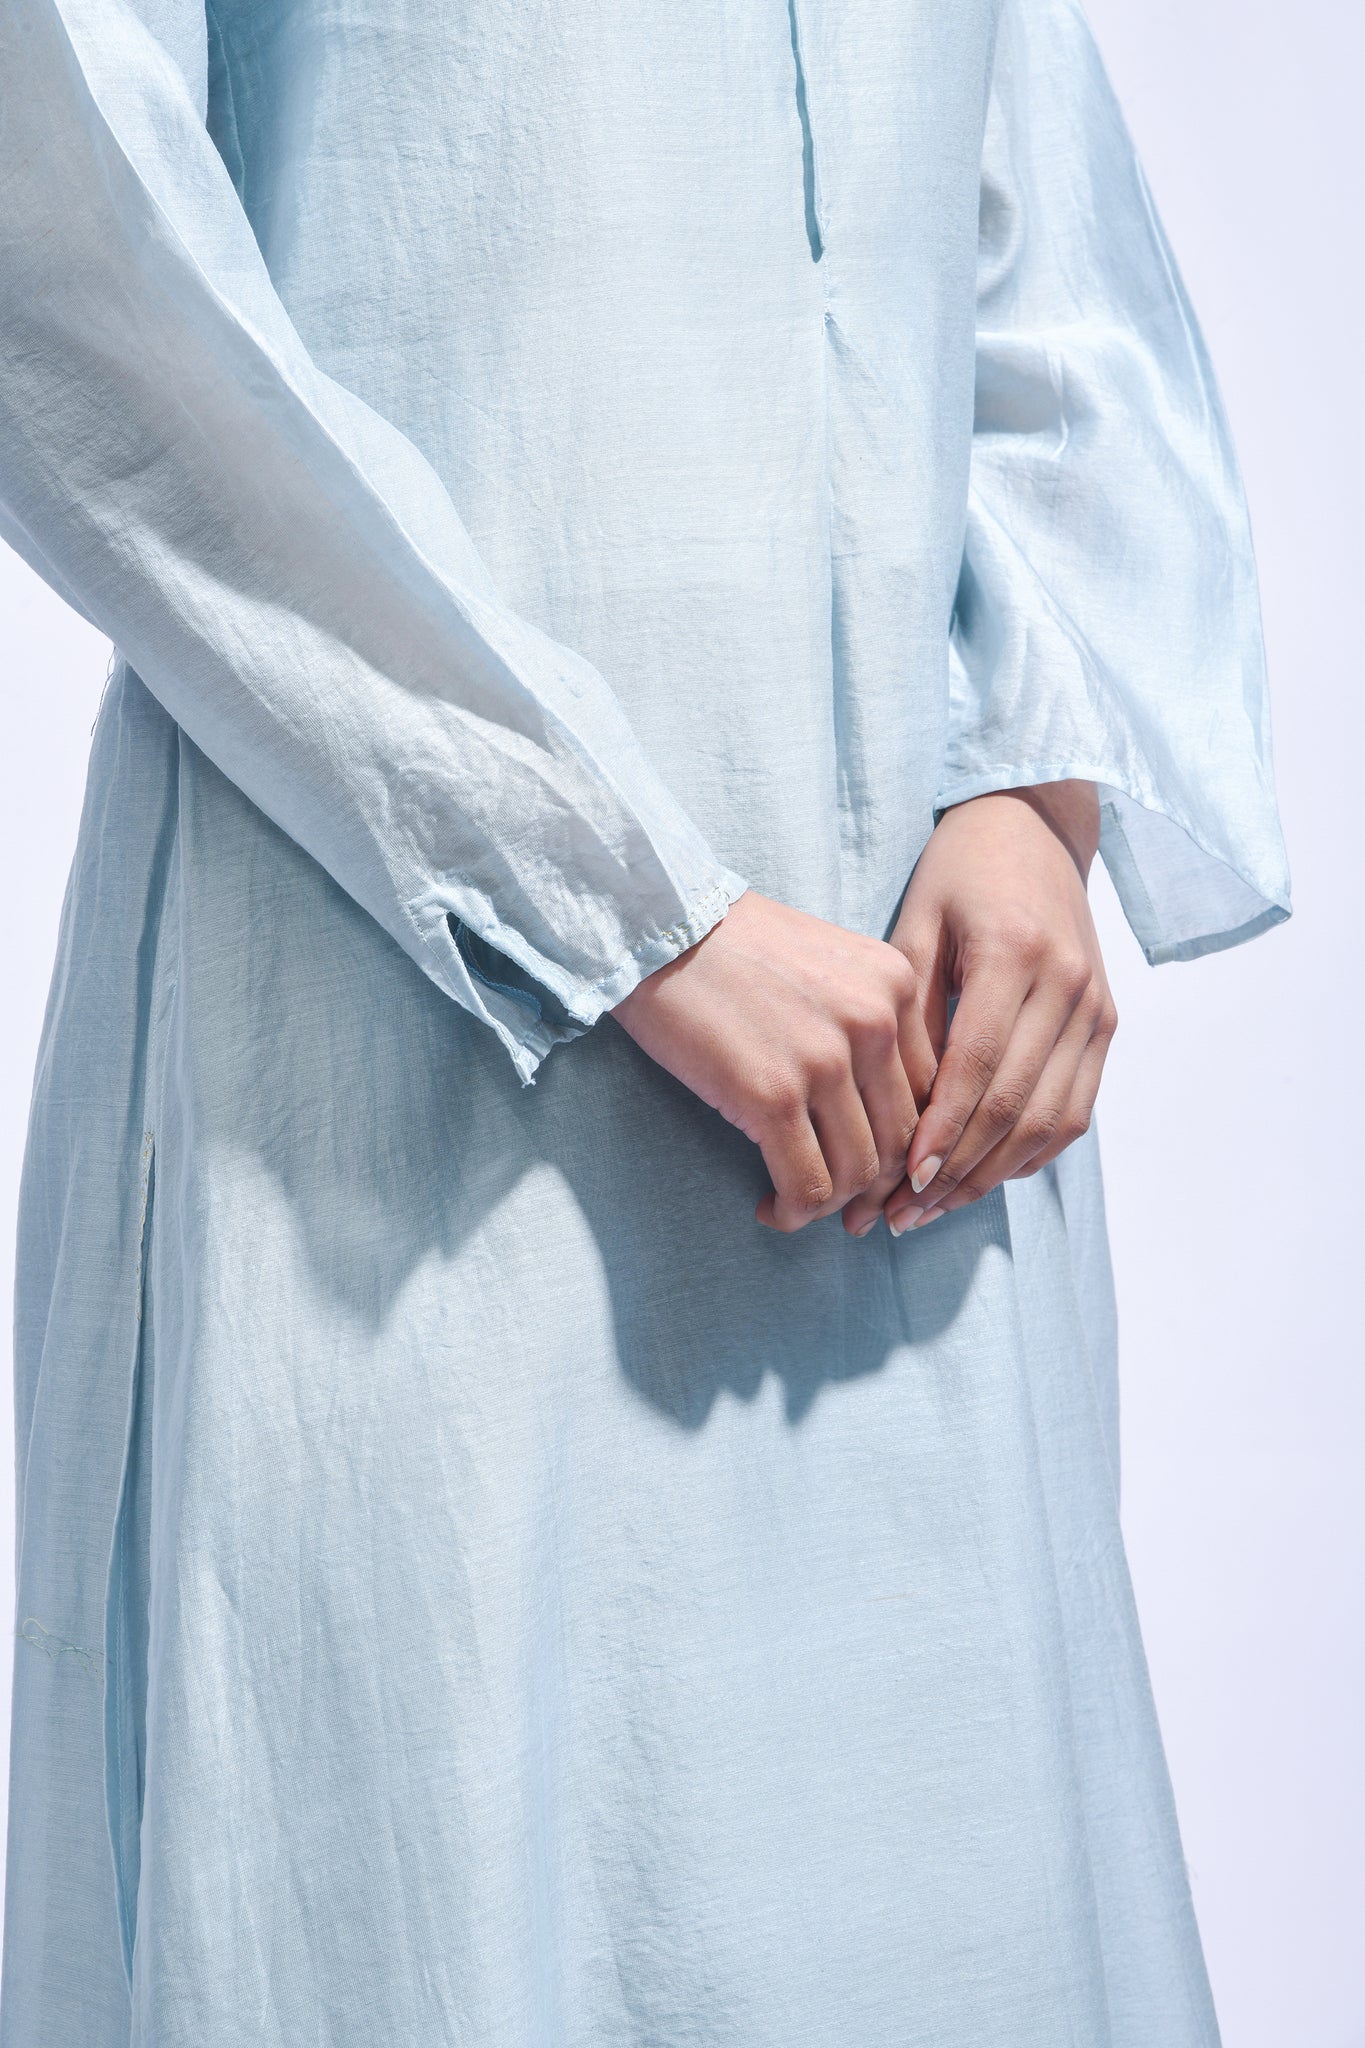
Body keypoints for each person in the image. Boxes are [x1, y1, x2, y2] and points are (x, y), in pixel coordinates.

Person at [0, 0, 1289, 2040]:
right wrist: (621, 903)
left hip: (915, 1087)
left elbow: (1042, 239)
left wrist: (1029, 799)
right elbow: (61, 227)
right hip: (410, 1070)